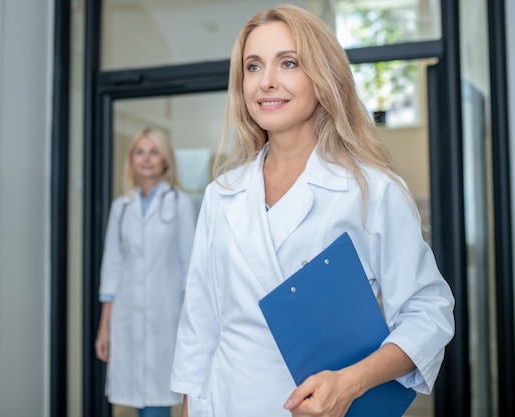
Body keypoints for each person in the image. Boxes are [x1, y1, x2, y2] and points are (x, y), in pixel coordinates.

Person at [170, 5, 455, 417]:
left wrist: (350, 382)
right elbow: (199, 327)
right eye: (253, 67)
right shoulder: (222, 194)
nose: (266, 82)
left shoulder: (371, 190)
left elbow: (428, 313)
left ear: (322, 77)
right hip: (225, 402)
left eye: (288, 63)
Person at [95, 127, 196, 417]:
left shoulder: (180, 203)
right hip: (126, 315)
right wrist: (105, 327)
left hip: (168, 318)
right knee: (136, 398)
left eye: (154, 152)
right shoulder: (121, 207)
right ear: (132, 160)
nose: (147, 159)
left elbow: (190, 269)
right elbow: (112, 268)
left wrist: (191, 325)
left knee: (158, 399)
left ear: (166, 160)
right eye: (140, 152)